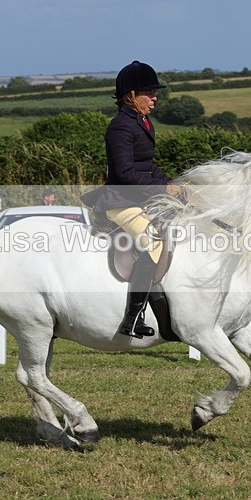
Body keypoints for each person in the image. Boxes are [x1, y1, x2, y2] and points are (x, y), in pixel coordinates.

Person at [83, 60, 183, 339]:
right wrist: (162, 190)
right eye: (149, 93)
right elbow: (126, 174)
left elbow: (147, 166)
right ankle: (132, 318)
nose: (155, 97)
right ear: (131, 95)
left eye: (155, 93)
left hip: (137, 198)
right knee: (152, 244)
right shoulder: (120, 127)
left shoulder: (143, 122)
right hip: (119, 202)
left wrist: (170, 183)